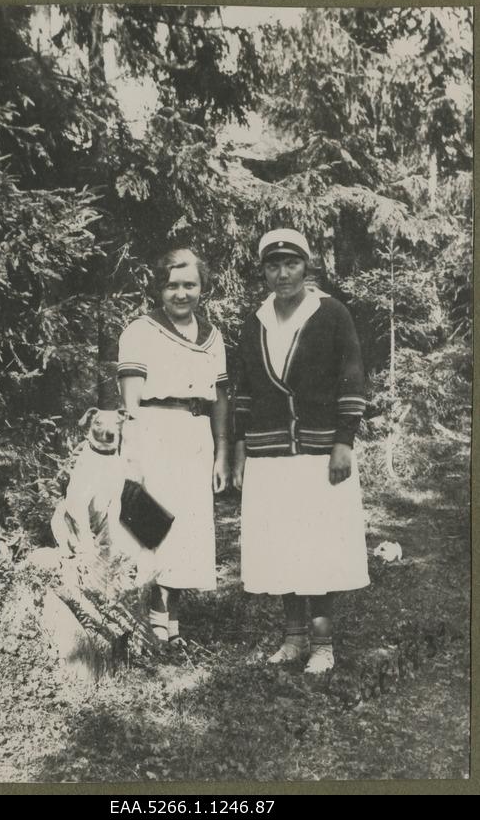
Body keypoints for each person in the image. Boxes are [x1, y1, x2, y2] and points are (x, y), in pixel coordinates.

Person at [232, 228, 369, 673]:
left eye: (291, 263)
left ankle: (323, 644)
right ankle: (292, 638)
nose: (282, 273)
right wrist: (239, 450)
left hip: (318, 451)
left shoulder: (331, 314)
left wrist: (343, 442)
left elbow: (352, 377)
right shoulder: (254, 321)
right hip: (269, 455)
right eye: (273, 265)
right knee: (282, 544)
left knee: (321, 545)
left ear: (306, 267)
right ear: (264, 270)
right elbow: (245, 393)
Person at [118, 247, 230, 646]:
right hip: (154, 432)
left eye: (190, 285)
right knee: (153, 524)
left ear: (203, 288)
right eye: (172, 286)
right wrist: (131, 453)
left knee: (189, 528)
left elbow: (218, 398)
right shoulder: (140, 331)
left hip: (195, 434)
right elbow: (130, 401)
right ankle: (151, 619)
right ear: (159, 290)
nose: (181, 294)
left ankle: (173, 622)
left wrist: (222, 451)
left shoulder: (212, 337)